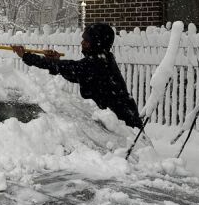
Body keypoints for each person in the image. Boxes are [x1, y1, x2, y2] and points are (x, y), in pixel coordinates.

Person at [12, 23, 142, 130]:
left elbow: (73, 69)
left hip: (124, 126)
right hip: (123, 121)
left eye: (86, 40)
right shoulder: (104, 60)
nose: (82, 43)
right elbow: (75, 73)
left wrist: (26, 56)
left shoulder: (97, 63)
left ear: (97, 42)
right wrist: (56, 62)